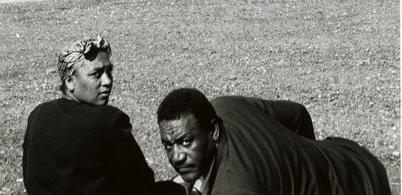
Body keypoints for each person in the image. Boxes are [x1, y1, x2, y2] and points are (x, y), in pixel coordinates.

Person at [23, 35, 183, 194]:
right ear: (70, 82)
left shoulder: (38, 115)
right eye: (96, 74)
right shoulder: (108, 121)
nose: (107, 81)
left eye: (109, 72)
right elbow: (142, 184)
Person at [157, 88, 391, 194]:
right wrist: (304, 164)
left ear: (214, 132)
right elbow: (297, 114)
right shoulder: (223, 106)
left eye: (186, 142)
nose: (176, 156)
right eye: (168, 145)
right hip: (349, 155)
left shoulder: (237, 188)